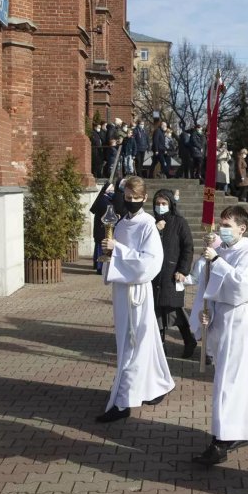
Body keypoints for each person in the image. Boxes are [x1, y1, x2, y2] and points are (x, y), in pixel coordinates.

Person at [190, 205, 248, 465]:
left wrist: (216, 262)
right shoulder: (221, 250)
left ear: (241, 229)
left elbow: (243, 288)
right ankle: (232, 432)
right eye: (220, 224)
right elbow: (207, 284)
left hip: (239, 320)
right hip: (220, 318)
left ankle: (221, 441)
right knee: (226, 380)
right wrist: (205, 311)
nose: (222, 229)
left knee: (230, 382)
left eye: (227, 225)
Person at [97, 177, 175, 422]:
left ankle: (124, 402)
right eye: (127, 198)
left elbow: (149, 263)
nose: (130, 202)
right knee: (141, 340)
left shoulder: (147, 225)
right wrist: (108, 252)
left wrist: (117, 249)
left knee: (134, 343)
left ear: (144, 198)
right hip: (121, 290)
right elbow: (116, 254)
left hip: (137, 292)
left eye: (135, 199)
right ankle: (158, 384)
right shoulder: (120, 224)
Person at [151, 189, 196, 359]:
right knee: (156, 309)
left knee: (174, 308)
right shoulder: (151, 222)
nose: (160, 207)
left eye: (164, 204)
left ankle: (188, 339)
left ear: (170, 204)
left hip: (172, 274)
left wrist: (183, 270)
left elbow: (188, 248)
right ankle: (160, 344)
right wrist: (155, 229)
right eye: (158, 203)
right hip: (154, 275)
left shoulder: (179, 222)